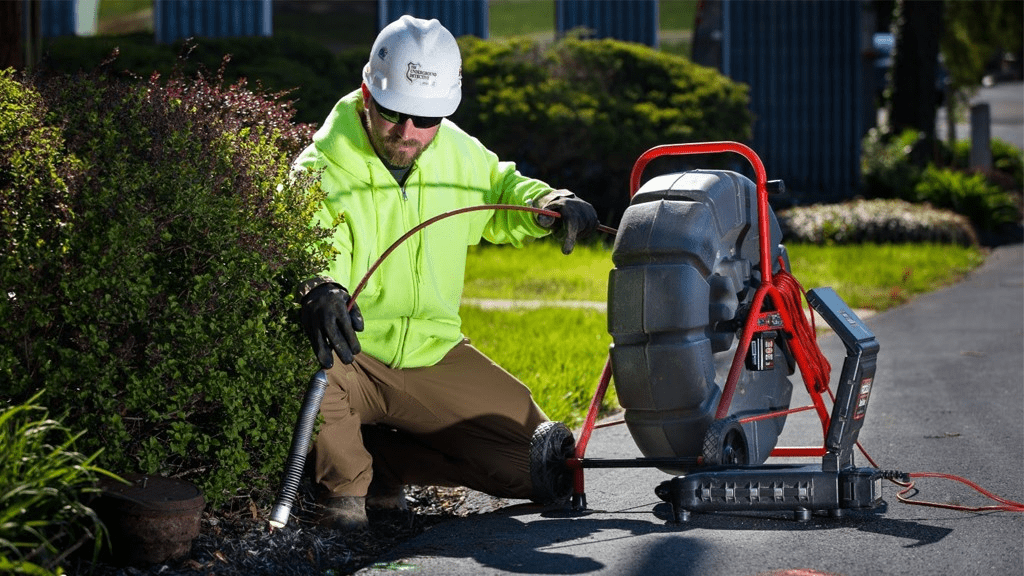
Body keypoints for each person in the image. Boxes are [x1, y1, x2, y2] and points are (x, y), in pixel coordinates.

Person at [291, 15, 600, 531]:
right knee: (310, 373)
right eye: (393, 114)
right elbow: (305, 252)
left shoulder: (455, 150)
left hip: (435, 354)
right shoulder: (318, 171)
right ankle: (344, 496)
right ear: (368, 92)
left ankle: (386, 462)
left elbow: (501, 191)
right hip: (353, 358)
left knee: (544, 468)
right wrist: (318, 287)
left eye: (425, 120)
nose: (409, 133)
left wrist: (548, 202)